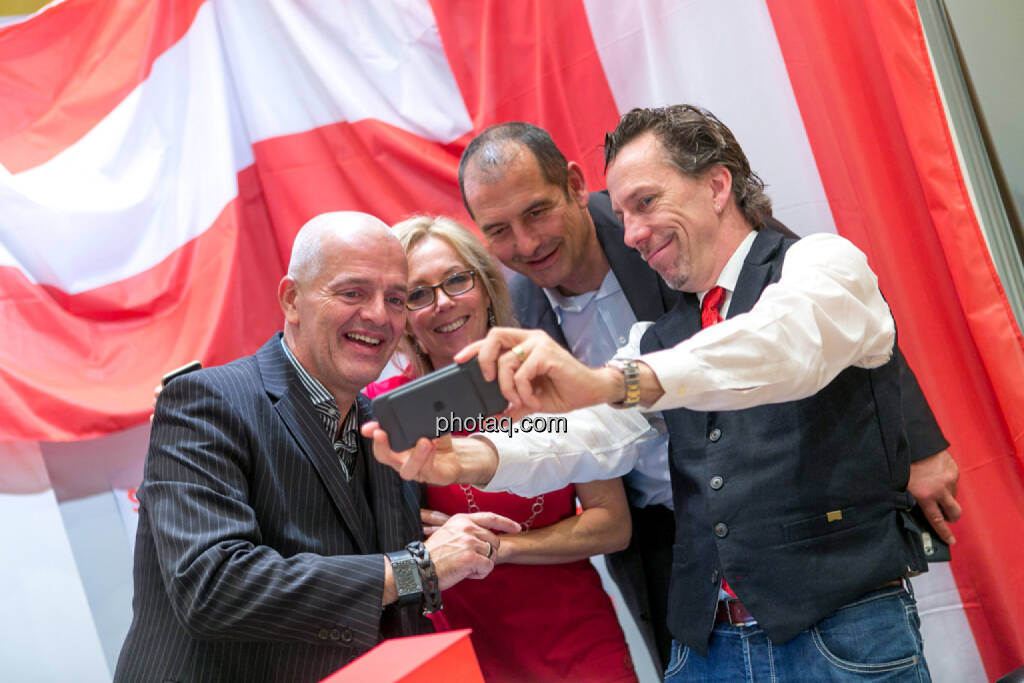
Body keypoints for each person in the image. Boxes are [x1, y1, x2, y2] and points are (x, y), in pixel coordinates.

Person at [368, 106, 937, 681]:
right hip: (707, 645)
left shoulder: (822, 262)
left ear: (716, 186)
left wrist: (612, 382)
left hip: (839, 628)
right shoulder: (656, 334)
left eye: (646, 203)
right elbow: (590, 433)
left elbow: (778, 345)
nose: (632, 234)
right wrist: (470, 457)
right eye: (621, 215)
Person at [115, 212, 519, 683]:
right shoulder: (203, 402)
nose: (378, 315)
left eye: (395, 298)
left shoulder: (383, 429)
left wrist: (434, 562)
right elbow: (214, 586)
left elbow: (397, 606)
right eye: (352, 293)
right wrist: (419, 566)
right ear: (292, 299)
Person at [364, 215, 638, 683]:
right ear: (403, 316)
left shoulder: (549, 379)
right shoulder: (382, 411)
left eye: (457, 280)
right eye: (418, 294)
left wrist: (500, 548)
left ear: (487, 288)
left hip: (578, 645)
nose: (443, 303)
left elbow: (613, 525)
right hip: (457, 652)